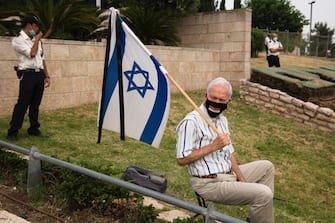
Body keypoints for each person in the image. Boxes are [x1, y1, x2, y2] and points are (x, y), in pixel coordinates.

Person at [176, 77, 275, 223]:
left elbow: (229, 153)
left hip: (228, 174)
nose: (216, 103)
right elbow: (181, 159)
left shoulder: (222, 120)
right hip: (209, 183)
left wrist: (241, 179)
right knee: (264, 194)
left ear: (228, 102)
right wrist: (212, 146)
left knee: (267, 167)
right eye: (213, 98)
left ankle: (256, 218)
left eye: (221, 100)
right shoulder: (191, 122)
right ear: (205, 96)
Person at [7, 15, 51, 141]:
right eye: (36, 26)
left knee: (35, 104)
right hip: (27, 74)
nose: (37, 30)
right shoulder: (19, 40)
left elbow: (41, 58)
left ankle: (33, 128)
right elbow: (32, 54)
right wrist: (36, 40)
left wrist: (47, 75)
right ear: (29, 25)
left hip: (39, 74)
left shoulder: (35, 40)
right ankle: (13, 131)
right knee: (23, 103)